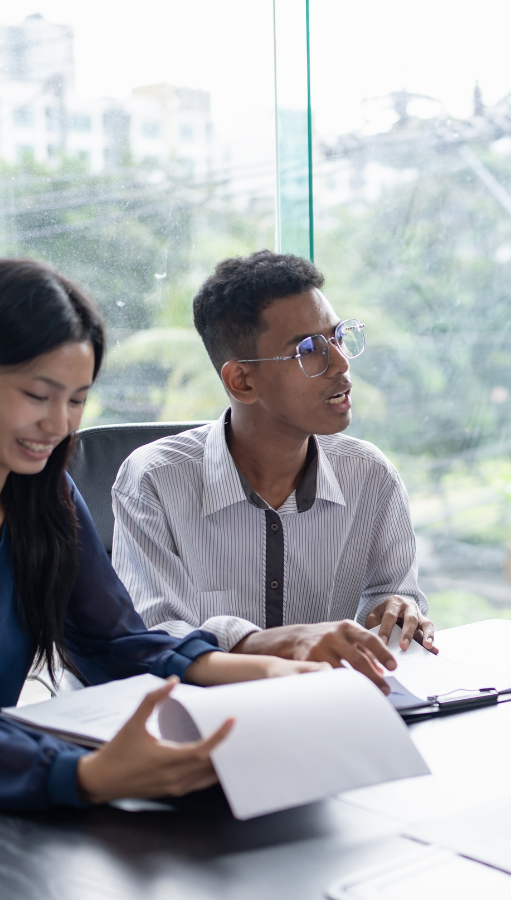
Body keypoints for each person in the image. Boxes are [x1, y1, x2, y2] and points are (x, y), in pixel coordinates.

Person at [0, 259, 325, 811]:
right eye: (37, 395)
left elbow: (115, 640)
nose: (58, 424)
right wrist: (94, 774)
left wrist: (271, 671)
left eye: (76, 399)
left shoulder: (42, 493)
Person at [110, 251, 432, 693]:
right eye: (308, 350)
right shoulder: (153, 482)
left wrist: (395, 608)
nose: (341, 364)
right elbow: (156, 640)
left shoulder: (370, 476)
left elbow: (391, 599)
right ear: (242, 381)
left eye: (338, 338)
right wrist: (263, 643)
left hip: (333, 715)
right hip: (204, 722)